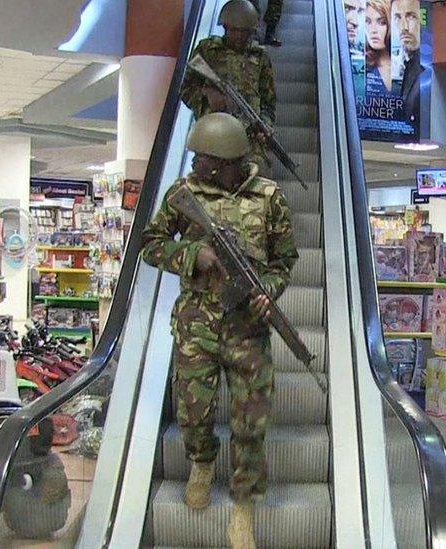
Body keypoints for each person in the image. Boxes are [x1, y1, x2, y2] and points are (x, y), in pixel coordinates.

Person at [140, 113, 298, 549]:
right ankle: (202, 463)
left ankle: (244, 504)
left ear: (228, 161)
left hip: (249, 327)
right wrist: (192, 255)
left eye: (205, 160)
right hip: (196, 322)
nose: (196, 165)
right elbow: (150, 244)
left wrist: (269, 289)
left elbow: (285, 259)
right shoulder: (183, 194)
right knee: (192, 413)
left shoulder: (269, 197)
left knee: (251, 421)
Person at [180, 0, 276, 174]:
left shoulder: (260, 57)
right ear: (225, 27)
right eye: (234, 30)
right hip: (211, 137)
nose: (239, 36)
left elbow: (268, 102)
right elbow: (185, 89)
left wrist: (266, 126)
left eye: (244, 31)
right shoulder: (207, 50)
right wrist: (207, 96)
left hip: (248, 140)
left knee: (252, 187)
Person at [392, 0, 423, 125]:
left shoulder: (429, 67)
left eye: (411, 16)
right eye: (398, 18)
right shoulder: (395, 63)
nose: (404, 27)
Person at [365, 0, 393, 94]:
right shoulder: (361, 67)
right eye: (368, 22)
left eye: (381, 22)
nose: (373, 30)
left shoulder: (405, 67)